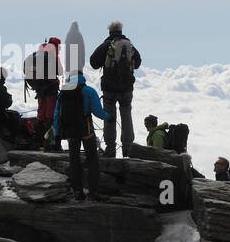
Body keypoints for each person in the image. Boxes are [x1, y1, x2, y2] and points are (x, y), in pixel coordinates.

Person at [51, 66, 110, 202]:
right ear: (82, 76)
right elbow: (97, 112)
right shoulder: (89, 91)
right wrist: (108, 117)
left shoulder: (63, 93)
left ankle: (77, 191)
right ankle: (93, 191)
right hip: (86, 130)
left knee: (74, 160)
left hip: (70, 131)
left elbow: (56, 115)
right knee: (92, 159)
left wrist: (57, 131)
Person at [89, 19, 142, 158]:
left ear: (110, 31)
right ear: (121, 31)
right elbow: (138, 63)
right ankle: (128, 149)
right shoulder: (128, 45)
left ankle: (110, 149)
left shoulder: (106, 44)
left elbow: (93, 62)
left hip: (109, 89)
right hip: (126, 89)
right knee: (126, 117)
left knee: (109, 118)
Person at [22, 37, 62, 148]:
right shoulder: (53, 55)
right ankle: (51, 143)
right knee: (51, 116)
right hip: (50, 90)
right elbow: (59, 71)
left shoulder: (37, 54)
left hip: (39, 90)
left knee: (41, 116)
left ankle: (38, 141)